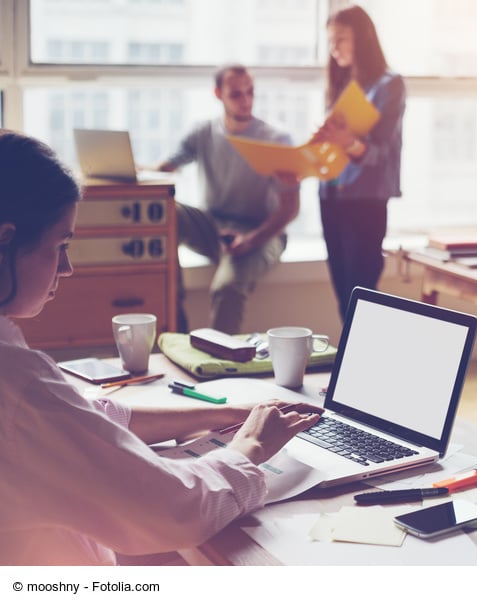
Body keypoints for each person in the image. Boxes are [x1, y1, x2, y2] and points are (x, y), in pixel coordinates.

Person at [0, 129, 323, 565]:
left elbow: (86, 418)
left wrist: (221, 414)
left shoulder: (25, 387)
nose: (68, 267)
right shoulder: (19, 385)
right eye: (61, 245)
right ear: (5, 238)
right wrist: (251, 447)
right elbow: (175, 509)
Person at [158, 64, 299, 334]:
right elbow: (165, 167)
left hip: (262, 233)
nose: (246, 100)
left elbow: (290, 209)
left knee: (227, 288)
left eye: (250, 92)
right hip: (213, 226)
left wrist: (251, 240)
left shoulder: (276, 139)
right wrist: (130, 171)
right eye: (236, 94)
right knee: (165, 210)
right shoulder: (203, 132)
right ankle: (174, 330)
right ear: (218, 94)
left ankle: (218, 369)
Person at [311, 4, 406, 318]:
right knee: (343, 296)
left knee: (361, 293)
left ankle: (367, 363)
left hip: (365, 199)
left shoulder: (389, 85)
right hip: (331, 195)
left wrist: (348, 142)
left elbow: (381, 152)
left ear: (361, 40)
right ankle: (354, 363)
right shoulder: (340, 84)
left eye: (341, 39)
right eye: (330, 41)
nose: (334, 49)